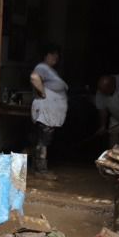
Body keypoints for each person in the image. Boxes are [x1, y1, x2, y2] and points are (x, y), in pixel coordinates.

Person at [29, 43, 68, 175]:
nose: (55, 57)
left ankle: (38, 167)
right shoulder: (42, 67)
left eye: (57, 54)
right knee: (44, 139)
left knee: (43, 139)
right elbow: (34, 77)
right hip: (46, 110)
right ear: (45, 55)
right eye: (52, 54)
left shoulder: (50, 70)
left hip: (50, 112)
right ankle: (41, 169)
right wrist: (43, 93)